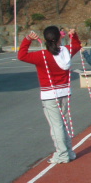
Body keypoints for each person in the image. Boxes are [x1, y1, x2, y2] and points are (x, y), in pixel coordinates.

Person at [18, 26, 81, 163]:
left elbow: (21, 55)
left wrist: (28, 39)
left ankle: (62, 154)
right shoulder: (66, 51)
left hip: (49, 95)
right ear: (60, 37)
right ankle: (69, 152)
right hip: (65, 93)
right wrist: (74, 35)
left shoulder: (41, 55)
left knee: (56, 126)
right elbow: (77, 45)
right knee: (64, 124)